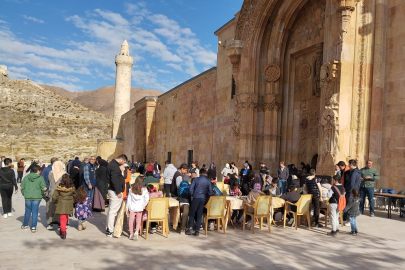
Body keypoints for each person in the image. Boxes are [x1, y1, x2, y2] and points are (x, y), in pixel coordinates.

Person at [186, 168, 212, 237]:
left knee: (192, 213)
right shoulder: (208, 181)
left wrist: (193, 194)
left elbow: (190, 188)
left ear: (200, 173)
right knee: (199, 214)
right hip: (202, 198)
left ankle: (190, 228)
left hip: (196, 197)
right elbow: (210, 192)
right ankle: (197, 230)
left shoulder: (196, 179)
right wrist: (205, 196)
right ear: (205, 174)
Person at [106, 154, 128, 237]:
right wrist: (118, 192)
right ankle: (110, 230)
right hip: (115, 191)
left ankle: (109, 228)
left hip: (113, 190)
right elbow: (114, 179)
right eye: (124, 162)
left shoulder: (112, 164)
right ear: (122, 160)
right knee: (113, 211)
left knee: (111, 210)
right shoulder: (114, 166)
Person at [21, 164, 46, 233]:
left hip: (28, 197)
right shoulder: (40, 178)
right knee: (35, 212)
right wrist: (42, 194)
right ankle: (33, 227)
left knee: (27, 211)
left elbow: (22, 187)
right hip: (37, 197)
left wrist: (25, 194)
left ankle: (25, 225)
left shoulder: (26, 177)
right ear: (37, 171)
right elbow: (43, 188)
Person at [52, 174, 77, 240]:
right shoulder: (72, 188)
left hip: (61, 205)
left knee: (62, 219)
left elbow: (54, 197)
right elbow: (75, 195)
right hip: (68, 205)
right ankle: (62, 229)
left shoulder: (59, 188)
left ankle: (63, 232)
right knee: (65, 218)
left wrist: (55, 202)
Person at [126, 176, 149, 241]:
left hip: (132, 207)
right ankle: (136, 231)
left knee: (131, 220)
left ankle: (131, 233)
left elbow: (129, 200)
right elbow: (147, 199)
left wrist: (127, 208)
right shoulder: (144, 190)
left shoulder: (131, 189)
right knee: (138, 220)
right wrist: (143, 205)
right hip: (139, 208)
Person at [46, 160, 65, 230]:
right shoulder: (64, 174)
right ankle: (60, 224)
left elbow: (48, 181)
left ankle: (50, 224)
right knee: (60, 208)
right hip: (61, 193)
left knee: (50, 208)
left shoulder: (50, 173)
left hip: (52, 192)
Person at [344, 159, 361, 226]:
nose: (348, 166)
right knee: (353, 206)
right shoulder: (358, 171)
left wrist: (347, 189)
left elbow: (351, 183)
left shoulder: (353, 173)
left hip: (351, 191)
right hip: (356, 190)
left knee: (349, 206)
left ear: (351, 164)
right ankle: (350, 220)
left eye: (348, 164)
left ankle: (349, 220)